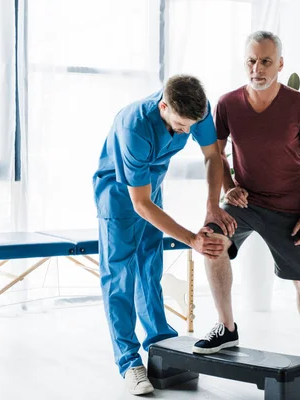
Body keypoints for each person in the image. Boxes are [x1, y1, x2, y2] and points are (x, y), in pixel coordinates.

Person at [191, 31, 300, 376]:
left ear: (281, 64)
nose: (257, 68)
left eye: (266, 61)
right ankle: (226, 328)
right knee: (212, 243)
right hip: (245, 203)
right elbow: (215, 153)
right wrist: (229, 187)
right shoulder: (228, 103)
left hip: (290, 206)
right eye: (251, 61)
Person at [92, 74, 237, 395]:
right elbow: (139, 204)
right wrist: (191, 240)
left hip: (150, 185)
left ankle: (160, 342)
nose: (187, 131)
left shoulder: (196, 109)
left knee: (149, 266)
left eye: (192, 125)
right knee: (120, 275)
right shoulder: (135, 127)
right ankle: (129, 361)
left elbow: (213, 156)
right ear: (164, 106)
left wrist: (213, 207)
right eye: (182, 125)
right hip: (118, 192)